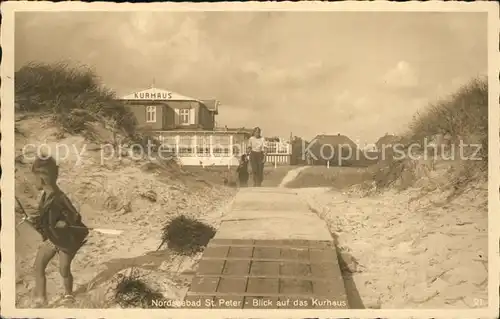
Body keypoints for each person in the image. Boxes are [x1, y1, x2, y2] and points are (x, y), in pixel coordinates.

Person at [28, 155, 89, 307]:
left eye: (34, 178)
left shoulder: (59, 197)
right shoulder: (45, 196)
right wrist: (34, 220)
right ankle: (41, 299)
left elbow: (75, 215)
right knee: (39, 265)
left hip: (66, 241)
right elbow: (45, 218)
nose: (32, 181)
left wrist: (65, 222)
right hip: (52, 238)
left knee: (64, 269)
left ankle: (69, 294)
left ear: (42, 179)